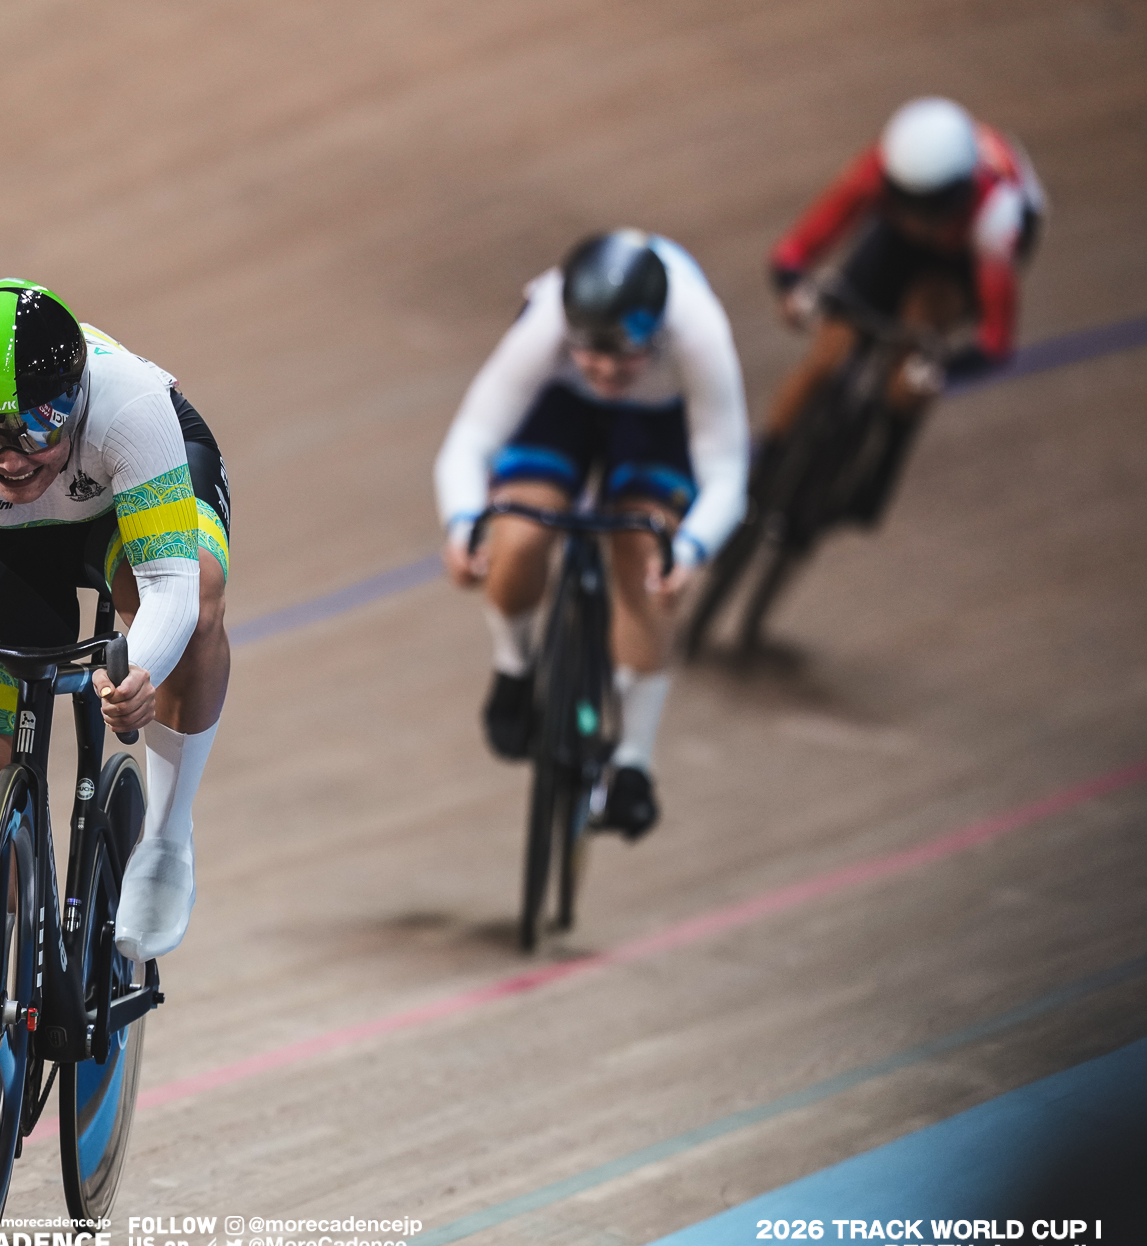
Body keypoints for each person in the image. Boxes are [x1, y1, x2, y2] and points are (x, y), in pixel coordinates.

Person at [0, 279, 230, 1159]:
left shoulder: (130, 408)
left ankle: (167, 838)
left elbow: (172, 591)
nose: (11, 456)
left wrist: (140, 666)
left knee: (203, 595)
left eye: (37, 426)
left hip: (117, 513)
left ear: (78, 398)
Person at [434, 230, 748, 838]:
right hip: (563, 406)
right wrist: (463, 525)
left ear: (657, 333)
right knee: (518, 536)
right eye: (591, 353)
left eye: (623, 355)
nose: (605, 370)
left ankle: (632, 763)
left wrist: (690, 550)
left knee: (647, 559)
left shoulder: (699, 330)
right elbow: (469, 441)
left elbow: (727, 472)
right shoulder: (548, 319)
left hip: (658, 420)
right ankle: (514, 667)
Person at [760, 97, 1046, 519]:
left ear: (961, 194)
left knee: (915, 350)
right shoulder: (880, 169)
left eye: (929, 209)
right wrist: (793, 287)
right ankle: (762, 463)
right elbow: (802, 243)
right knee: (825, 355)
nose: (917, 219)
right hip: (897, 243)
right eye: (906, 203)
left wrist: (942, 371)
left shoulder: (995, 220)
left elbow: (996, 343)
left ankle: (881, 472)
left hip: (963, 258)